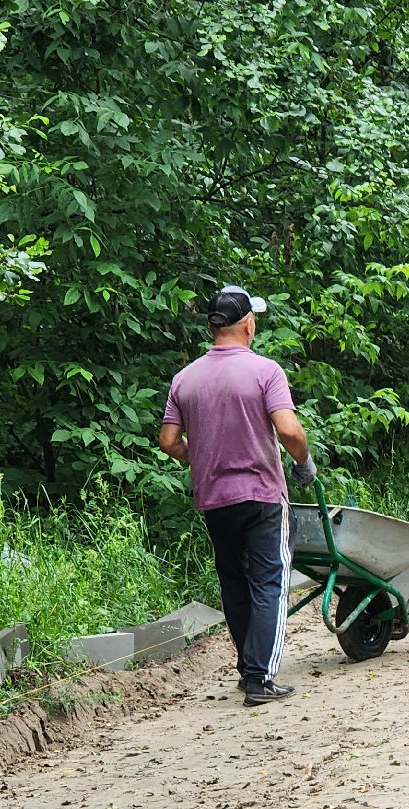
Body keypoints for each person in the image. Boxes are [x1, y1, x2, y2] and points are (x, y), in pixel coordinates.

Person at [158, 286, 315, 706]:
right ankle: (261, 678)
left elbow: (169, 440)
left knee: (234, 582)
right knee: (271, 581)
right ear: (248, 323)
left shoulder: (185, 378)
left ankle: (249, 672)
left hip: (214, 498)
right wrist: (303, 462)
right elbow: (289, 431)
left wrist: (204, 455)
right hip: (262, 494)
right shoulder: (265, 371)